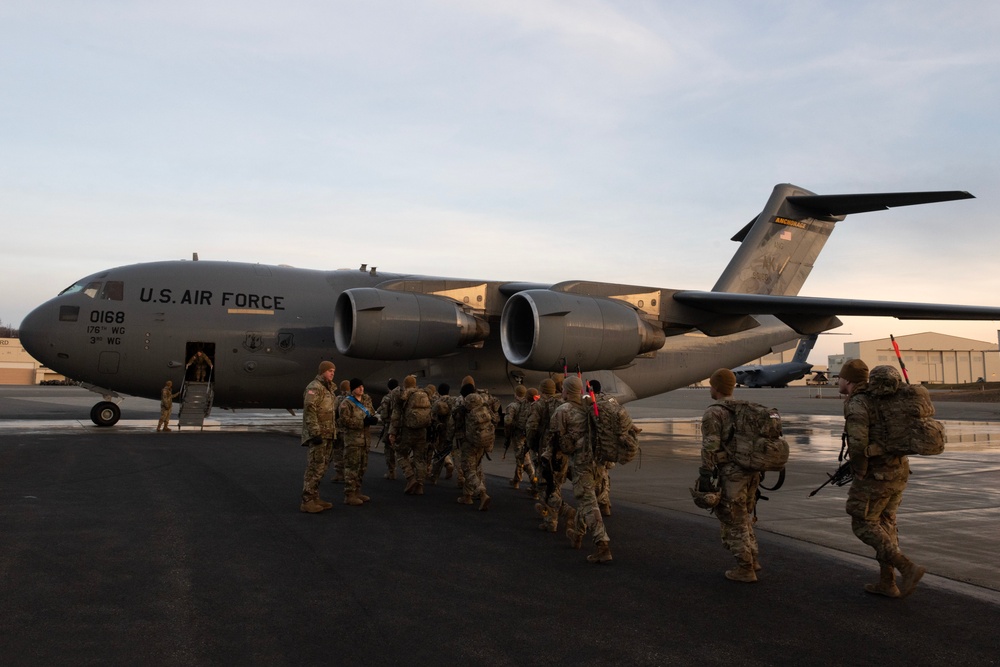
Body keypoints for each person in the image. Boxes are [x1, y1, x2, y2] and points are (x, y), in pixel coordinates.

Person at [839, 359, 926, 598]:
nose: (838, 381)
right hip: (899, 470)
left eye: (840, 377)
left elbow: (858, 442)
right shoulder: (885, 399)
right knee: (886, 524)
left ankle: (906, 567)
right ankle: (888, 583)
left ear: (848, 380)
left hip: (877, 474)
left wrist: (859, 469)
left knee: (862, 523)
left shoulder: (859, 402)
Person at [699, 368, 761, 582]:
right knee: (744, 515)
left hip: (732, 473)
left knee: (732, 518)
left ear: (716, 387)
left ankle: (745, 568)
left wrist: (705, 474)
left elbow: (710, 446)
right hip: (752, 471)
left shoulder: (714, 412)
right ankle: (753, 557)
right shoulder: (745, 408)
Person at [554, 376, 612, 564]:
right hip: (597, 464)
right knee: (586, 498)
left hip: (581, 464)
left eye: (563, 388)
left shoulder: (563, 411)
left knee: (588, 503)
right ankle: (577, 535)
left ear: (567, 390)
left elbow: (560, 442)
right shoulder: (591, 405)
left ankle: (602, 545)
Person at [299, 361, 337, 513]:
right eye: (329, 371)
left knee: (322, 467)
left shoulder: (328, 389)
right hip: (319, 434)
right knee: (315, 467)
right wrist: (315, 432)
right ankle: (307, 501)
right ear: (322, 372)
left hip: (328, 434)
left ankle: (315, 496)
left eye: (333, 371)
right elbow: (309, 410)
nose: (332, 373)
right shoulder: (314, 387)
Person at [389, 375, 432, 495]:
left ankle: (410, 477)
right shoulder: (424, 394)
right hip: (422, 431)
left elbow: (396, 415)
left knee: (400, 453)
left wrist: (392, 432)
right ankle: (420, 486)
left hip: (407, 431)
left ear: (405, 384)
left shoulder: (402, 395)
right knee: (419, 458)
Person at [339, 378, 376, 506]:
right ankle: (349, 495)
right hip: (353, 441)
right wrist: (362, 423)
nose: (361, 389)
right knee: (351, 468)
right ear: (352, 389)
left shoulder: (365, 401)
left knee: (362, 468)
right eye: (358, 387)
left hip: (365, 441)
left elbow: (370, 413)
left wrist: (372, 419)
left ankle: (357, 491)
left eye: (362, 386)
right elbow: (344, 421)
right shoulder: (346, 403)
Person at [504, 385, 535, 491]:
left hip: (517, 435)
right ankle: (516, 479)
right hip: (528, 435)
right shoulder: (530, 405)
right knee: (521, 456)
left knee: (523, 459)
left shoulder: (513, 406)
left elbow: (507, 421)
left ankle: (534, 482)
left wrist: (507, 433)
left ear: (516, 394)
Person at [377, 379, 401, 480]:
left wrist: (384, 420)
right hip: (401, 426)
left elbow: (384, 415)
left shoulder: (387, 398)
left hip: (390, 426)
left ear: (388, 388)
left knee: (388, 448)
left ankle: (391, 471)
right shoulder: (401, 396)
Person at [330, 379, 352, 483]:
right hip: (351, 432)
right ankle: (350, 476)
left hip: (339, 431)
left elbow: (333, 414)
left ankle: (339, 474)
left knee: (338, 452)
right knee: (350, 454)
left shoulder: (338, 399)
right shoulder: (355, 399)